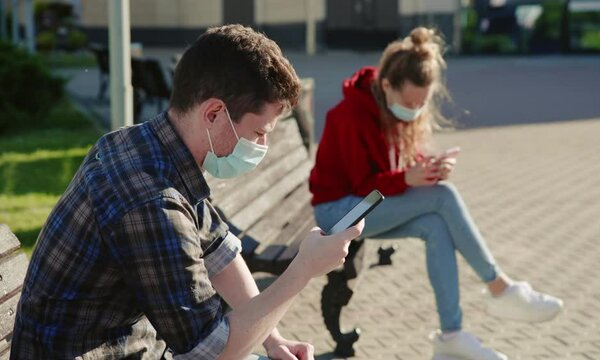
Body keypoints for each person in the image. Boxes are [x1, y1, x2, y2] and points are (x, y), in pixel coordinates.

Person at [11, 24, 363, 360]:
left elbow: (219, 253)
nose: (263, 145)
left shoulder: (144, 144)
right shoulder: (152, 200)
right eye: (259, 132)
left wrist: (274, 340)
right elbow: (211, 351)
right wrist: (302, 270)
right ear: (213, 113)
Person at [309, 27, 563, 360]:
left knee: (437, 224)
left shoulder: (389, 108)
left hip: (369, 205)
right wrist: (409, 179)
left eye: (422, 103)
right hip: (338, 211)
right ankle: (500, 288)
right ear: (386, 85)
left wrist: (425, 170)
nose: (415, 110)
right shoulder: (347, 115)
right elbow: (363, 186)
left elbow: (391, 173)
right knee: (443, 197)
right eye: (410, 102)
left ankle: (450, 337)